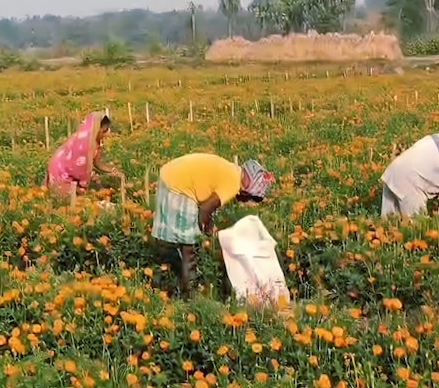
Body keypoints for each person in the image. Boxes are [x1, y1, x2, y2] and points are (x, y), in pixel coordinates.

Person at [151, 153, 275, 294]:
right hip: (179, 185)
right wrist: (205, 234)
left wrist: (209, 227)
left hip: (171, 174)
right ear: (248, 187)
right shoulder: (232, 185)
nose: (247, 201)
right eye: (252, 198)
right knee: (189, 247)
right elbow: (204, 210)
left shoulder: (232, 171)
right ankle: (188, 293)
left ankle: (164, 271)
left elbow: (207, 205)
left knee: (173, 239)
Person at [44, 111, 122, 198]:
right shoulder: (83, 143)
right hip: (61, 170)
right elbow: (81, 167)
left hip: (72, 171)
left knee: (85, 195)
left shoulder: (97, 140)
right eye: (105, 130)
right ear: (97, 129)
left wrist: (112, 170)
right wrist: (87, 181)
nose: (107, 132)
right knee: (71, 200)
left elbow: (97, 163)